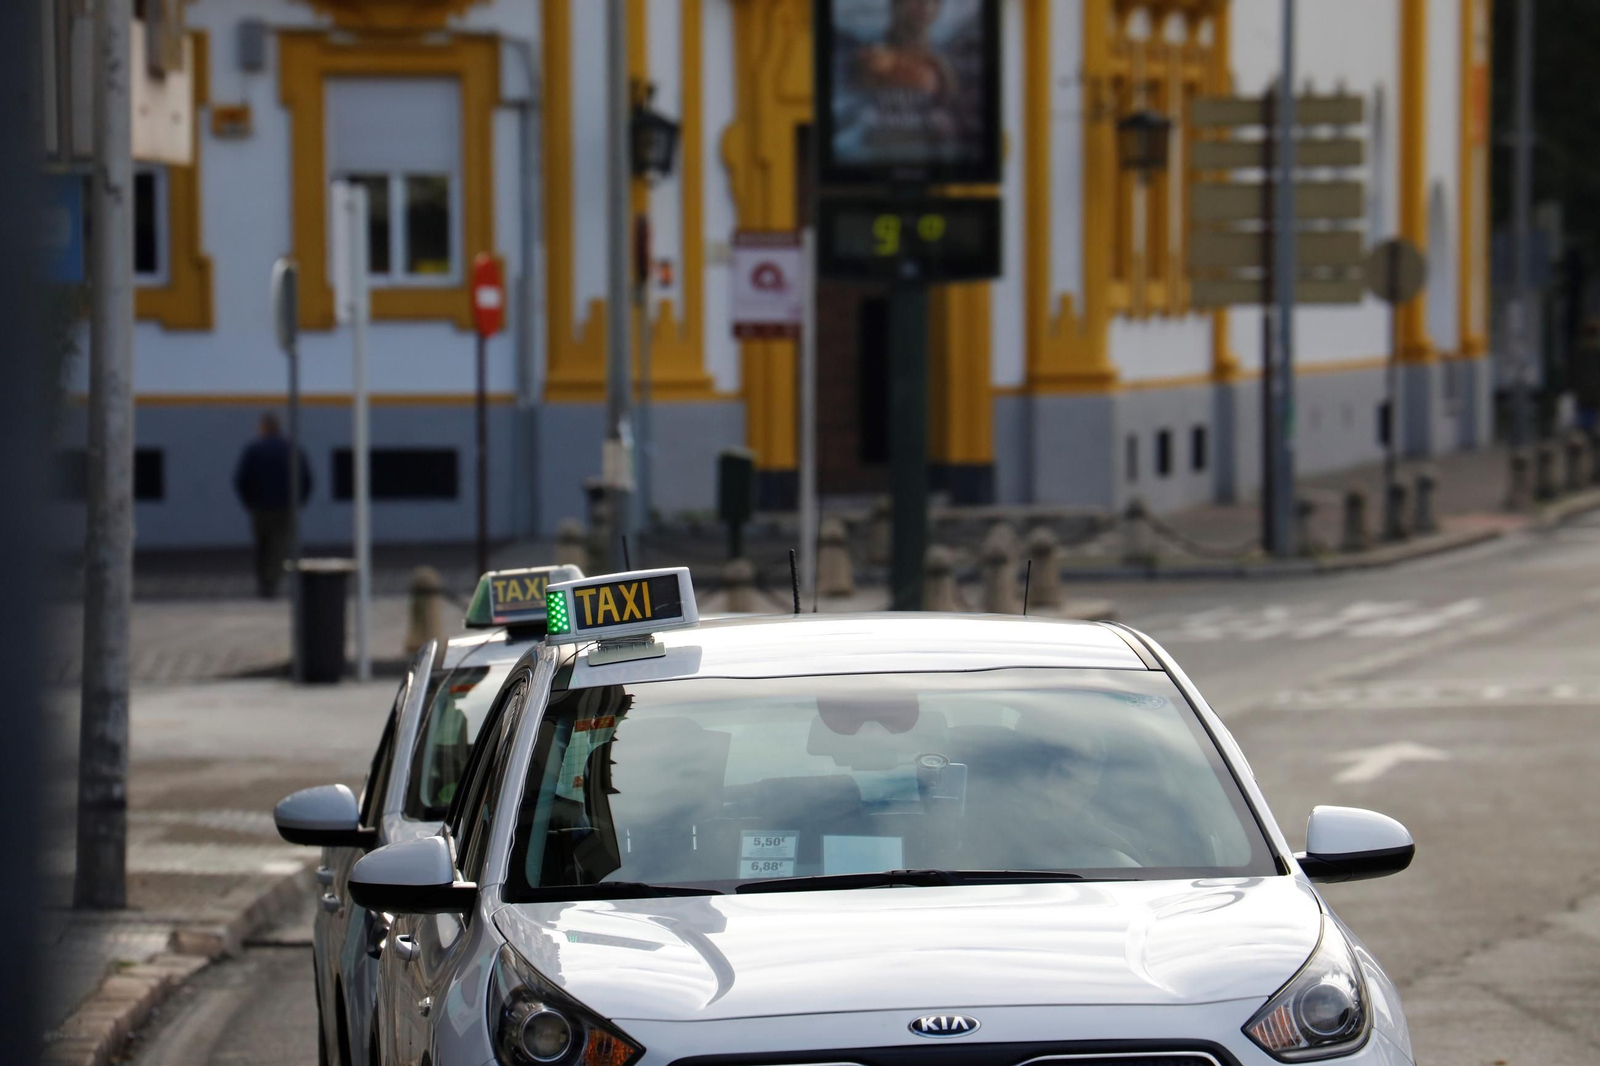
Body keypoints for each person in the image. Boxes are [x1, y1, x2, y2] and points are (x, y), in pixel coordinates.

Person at [232, 413, 311, 598]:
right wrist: (298, 502)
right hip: (284, 507)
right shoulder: (291, 449)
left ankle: (264, 582)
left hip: (260, 507)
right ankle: (272, 581)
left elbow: (241, 479)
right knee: (279, 546)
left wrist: (249, 502)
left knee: (262, 545)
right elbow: (306, 479)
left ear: (263, 427)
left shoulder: (253, 450)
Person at [1574, 318, 1600, 437]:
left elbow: (1576, 371)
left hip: (1584, 392)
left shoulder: (1581, 349)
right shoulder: (1593, 350)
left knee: (1585, 423)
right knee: (1592, 421)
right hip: (1593, 391)